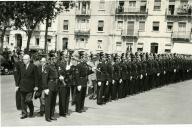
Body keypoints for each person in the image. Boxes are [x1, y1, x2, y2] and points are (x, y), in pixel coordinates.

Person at [16, 54, 38, 119]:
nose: (23, 60)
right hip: (22, 86)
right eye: (23, 59)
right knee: (22, 101)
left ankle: (31, 109)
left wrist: (36, 86)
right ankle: (24, 113)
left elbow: (36, 77)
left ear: (28, 60)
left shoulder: (33, 66)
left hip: (30, 86)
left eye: (25, 59)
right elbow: (19, 76)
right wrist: (17, 85)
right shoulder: (21, 66)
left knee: (28, 100)